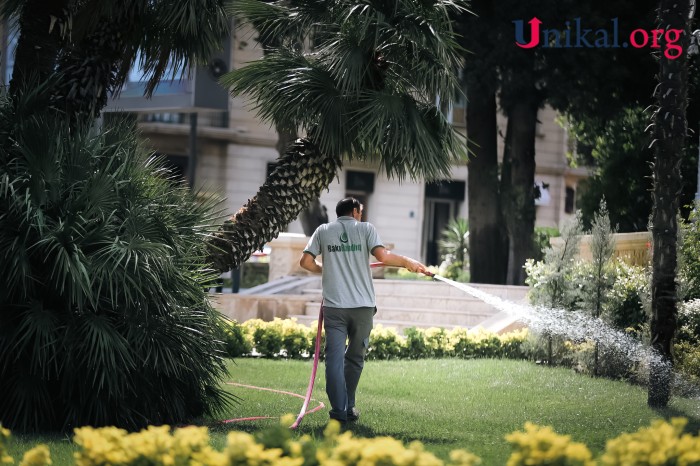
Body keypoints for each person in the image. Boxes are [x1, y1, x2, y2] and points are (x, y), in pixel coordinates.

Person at [299, 197, 429, 423]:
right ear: (356, 212)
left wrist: (326, 268)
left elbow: (305, 262)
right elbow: (384, 257)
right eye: (361, 211)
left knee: (334, 361)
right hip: (363, 308)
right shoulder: (366, 229)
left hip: (335, 308)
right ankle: (349, 406)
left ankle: (339, 411)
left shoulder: (323, 230)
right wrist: (409, 262)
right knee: (355, 359)